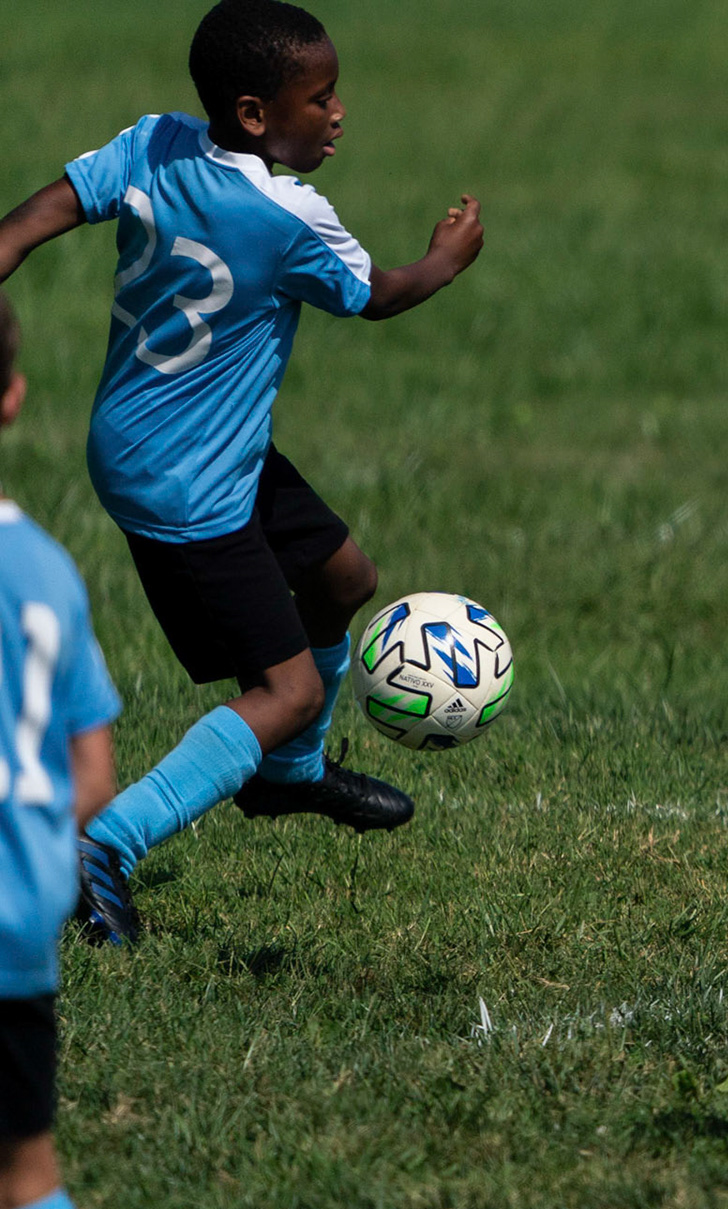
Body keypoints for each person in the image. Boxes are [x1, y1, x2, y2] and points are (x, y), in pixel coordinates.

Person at [0, 0, 484, 940]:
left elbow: (32, 220)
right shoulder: (287, 214)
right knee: (286, 690)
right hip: (188, 482)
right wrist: (446, 260)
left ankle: (288, 775)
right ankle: (105, 844)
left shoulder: (152, 144)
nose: (338, 112)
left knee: (345, 580)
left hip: (188, 443)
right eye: (321, 97)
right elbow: (378, 296)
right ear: (256, 114)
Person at [0, 290, 122, 1209]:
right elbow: (94, 774)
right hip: (13, 930)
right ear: (12, 399)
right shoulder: (46, 572)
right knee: (26, 1177)